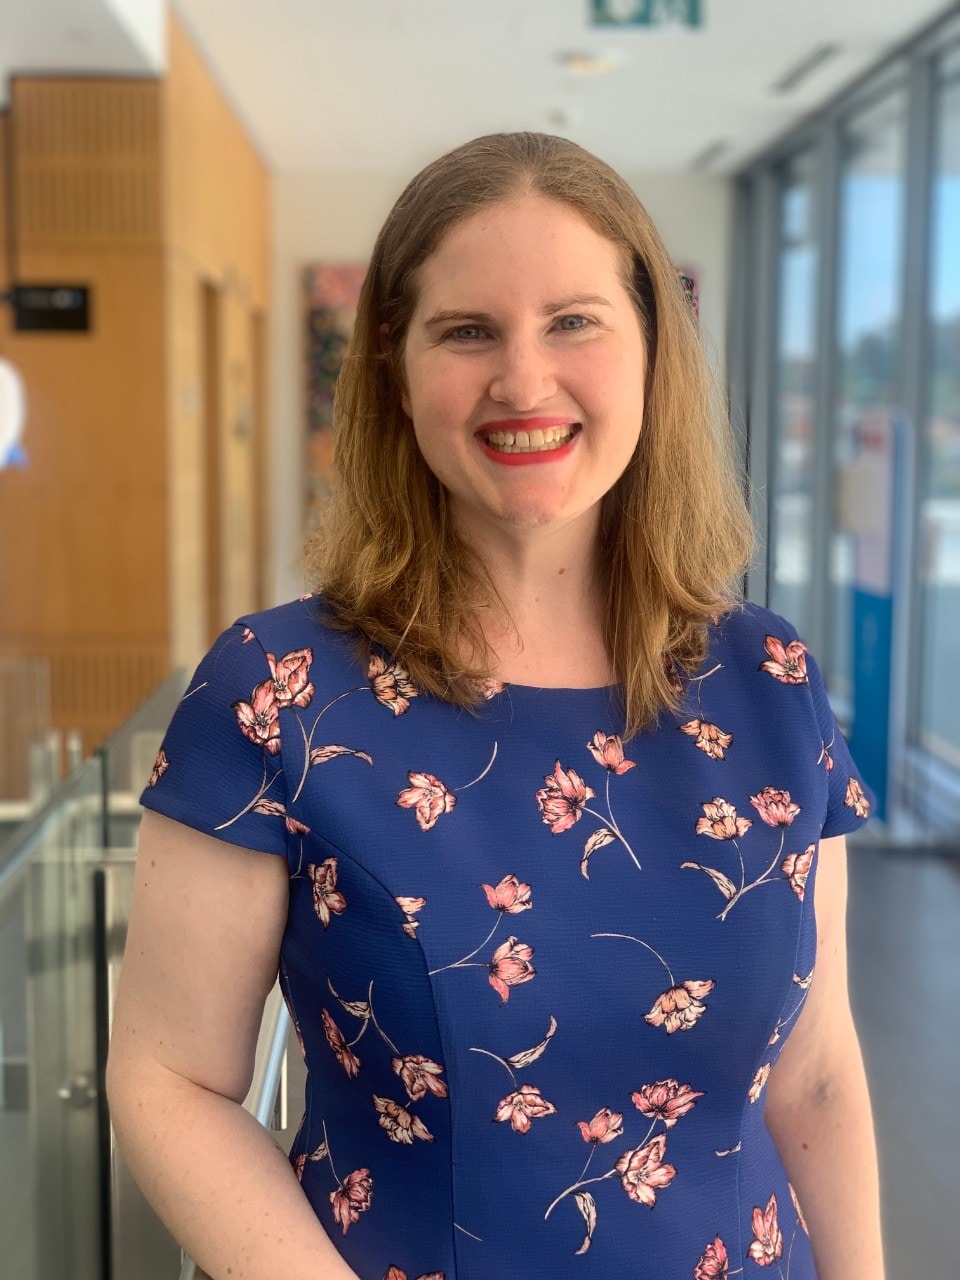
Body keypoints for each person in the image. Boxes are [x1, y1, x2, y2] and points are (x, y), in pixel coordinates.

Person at [107, 132, 885, 1280]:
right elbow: (168, 1076)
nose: (524, 382)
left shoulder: (770, 680)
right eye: (468, 331)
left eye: (574, 320)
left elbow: (815, 1072)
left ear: (653, 352)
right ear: (395, 366)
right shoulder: (275, 691)